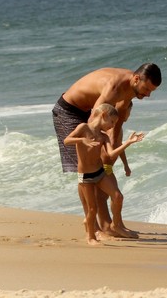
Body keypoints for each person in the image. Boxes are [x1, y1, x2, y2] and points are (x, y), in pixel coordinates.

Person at [52, 63, 161, 235]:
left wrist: (113, 151)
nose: (147, 94)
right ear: (136, 78)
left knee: (100, 167)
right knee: (88, 170)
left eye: (151, 92)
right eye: (146, 89)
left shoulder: (130, 89)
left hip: (87, 112)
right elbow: (94, 121)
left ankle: (107, 224)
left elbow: (115, 125)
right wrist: (102, 154)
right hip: (69, 112)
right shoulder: (114, 88)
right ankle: (94, 226)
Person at [64, 103, 144, 245]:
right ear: (103, 115)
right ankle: (90, 237)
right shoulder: (83, 128)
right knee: (92, 209)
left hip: (100, 173)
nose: (113, 126)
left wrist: (128, 143)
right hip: (86, 176)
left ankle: (116, 225)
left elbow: (111, 154)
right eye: (112, 121)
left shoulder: (103, 136)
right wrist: (82, 140)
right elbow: (67, 140)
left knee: (118, 196)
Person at [95, 101, 139, 239]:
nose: (128, 115)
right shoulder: (112, 129)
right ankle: (110, 226)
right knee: (108, 197)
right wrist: (128, 143)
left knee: (111, 197)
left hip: (108, 168)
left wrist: (126, 165)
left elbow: (118, 146)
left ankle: (116, 224)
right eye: (128, 111)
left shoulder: (117, 128)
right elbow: (111, 152)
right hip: (103, 168)